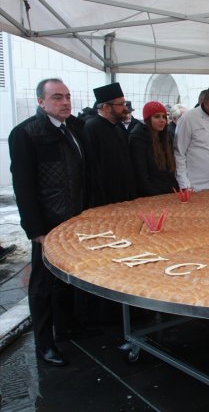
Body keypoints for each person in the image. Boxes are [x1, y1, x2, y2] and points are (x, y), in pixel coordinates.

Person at [9, 78, 88, 366]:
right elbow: (24, 187)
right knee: (42, 286)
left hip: (74, 221)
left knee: (67, 278)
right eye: (57, 97)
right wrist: (35, 230)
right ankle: (45, 343)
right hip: (48, 225)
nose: (65, 102)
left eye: (67, 96)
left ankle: (67, 328)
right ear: (41, 102)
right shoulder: (26, 133)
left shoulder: (74, 129)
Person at [84, 82, 137, 206]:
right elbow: (92, 170)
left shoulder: (118, 128)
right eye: (121, 104)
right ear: (106, 107)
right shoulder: (91, 128)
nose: (125, 108)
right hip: (105, 198)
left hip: (124, 196)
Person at [129, 101, 179, 196]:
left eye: (164, 116)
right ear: (148, 119)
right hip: (151, 194)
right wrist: (156, 195)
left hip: (170, 191)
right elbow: (141, 174)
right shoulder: (138, 138)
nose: (162, 120)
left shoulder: (166, 136)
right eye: (157, 116)